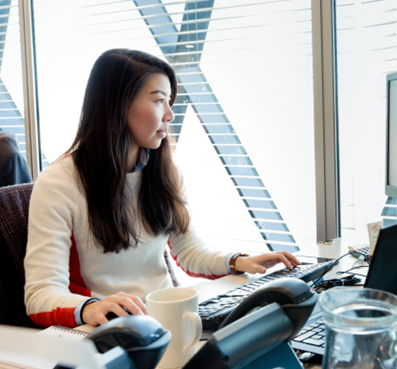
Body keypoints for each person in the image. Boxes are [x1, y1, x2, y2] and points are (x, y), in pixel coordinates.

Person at [23, 49, 300, 328]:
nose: (169, 114)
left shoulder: (165, 173)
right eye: (159, 101)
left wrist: (240, 262)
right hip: (107, 327)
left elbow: (189, 252)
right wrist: (91, 308)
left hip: (166, 319)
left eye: (170, 102)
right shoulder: (59, 183)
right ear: (118, 104)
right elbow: (40, 294)